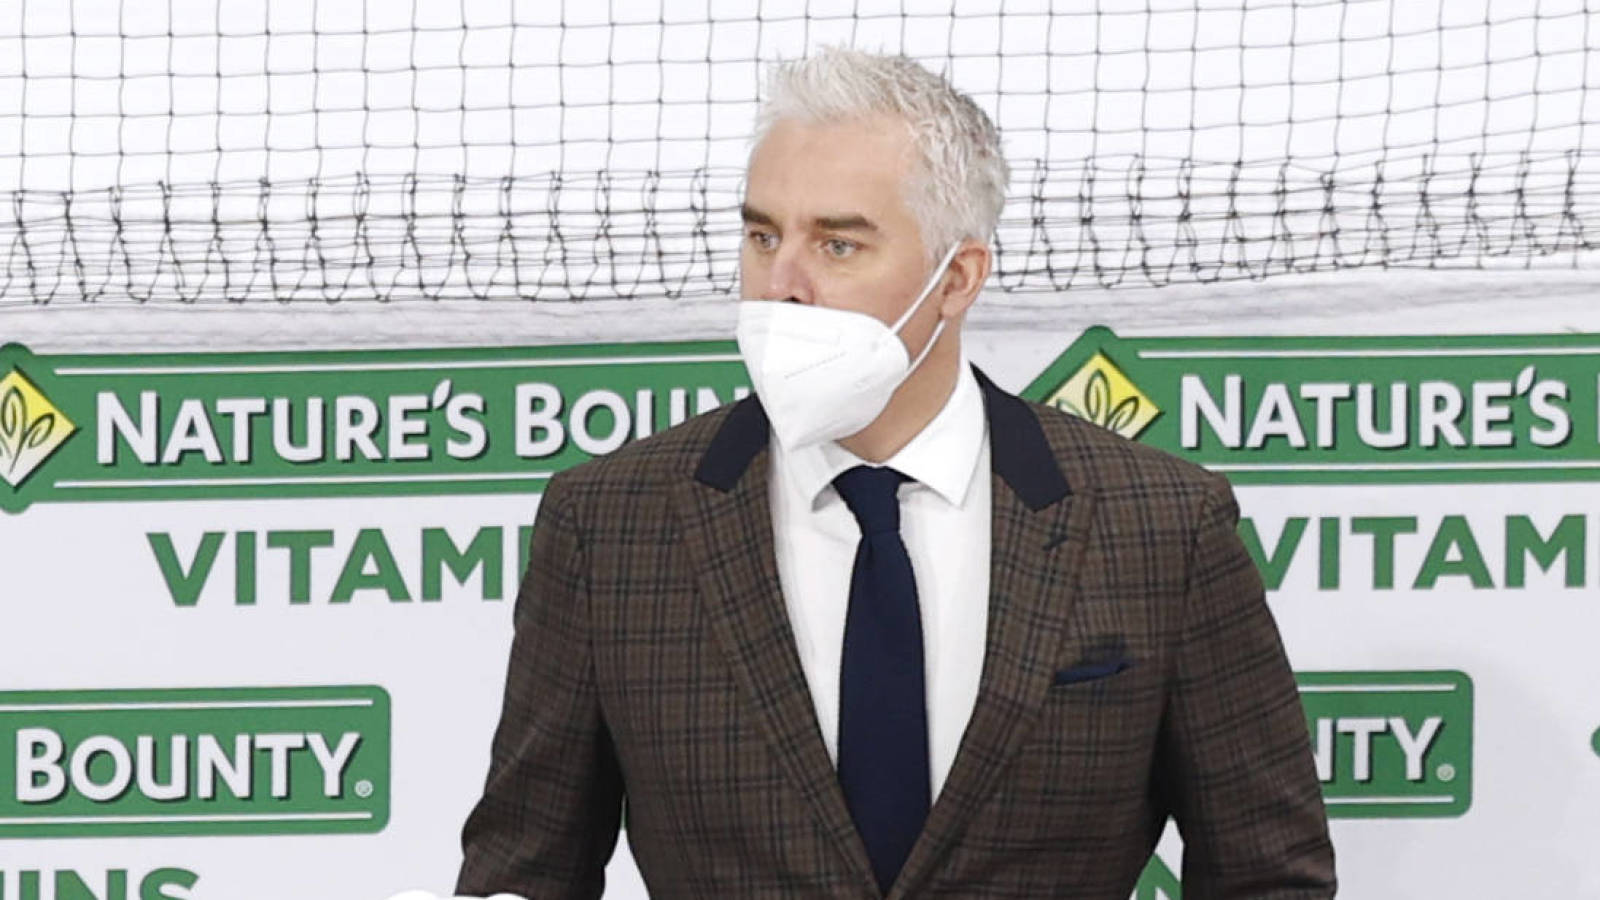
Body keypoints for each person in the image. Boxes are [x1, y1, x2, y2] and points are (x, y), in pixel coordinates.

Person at [456, 48, 1335, 899]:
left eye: (837, 246)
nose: (782, 283)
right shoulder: (608, 526)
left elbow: (1267, 876)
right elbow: (526, 874)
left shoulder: (1161, 527)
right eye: (763, 235)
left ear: (957, 279)